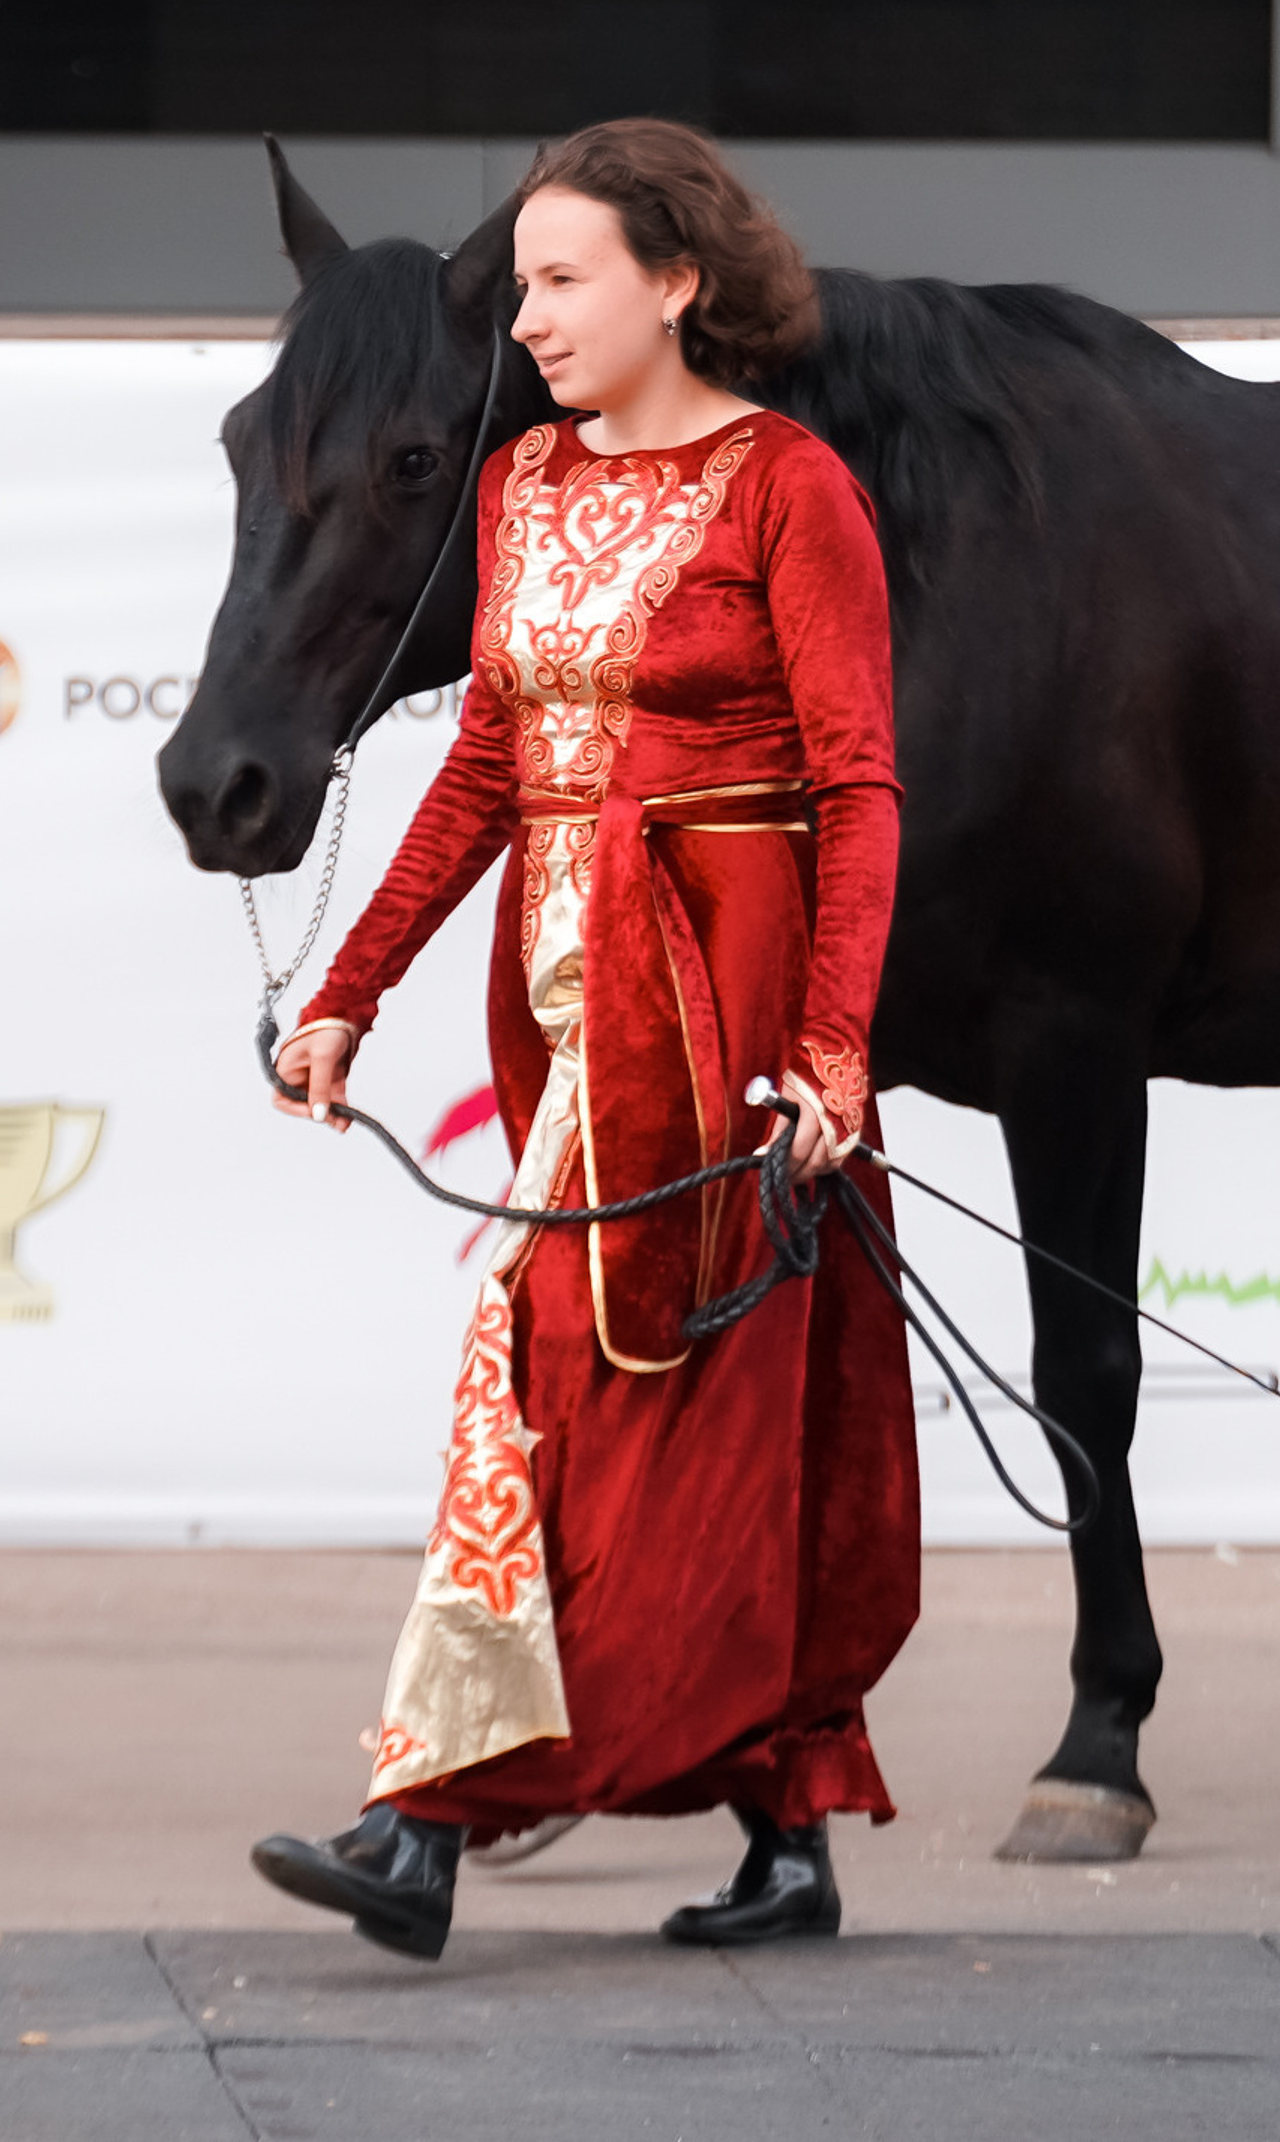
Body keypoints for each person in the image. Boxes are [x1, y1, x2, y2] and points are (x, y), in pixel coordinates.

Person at [250, 118, 918, 1961]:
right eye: (527, 284)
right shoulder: (521, 486)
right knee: (705, 1400)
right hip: (564, 1002)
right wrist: (348, 994)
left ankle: (424, 1824)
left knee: (543, 1369)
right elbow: (483, 765)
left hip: (722, 1007)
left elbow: (859, 788)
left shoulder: (794, 490)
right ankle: (791, 1834)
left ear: (677, 284)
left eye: (564, 281)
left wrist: (835, 1056)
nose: (529, 319)